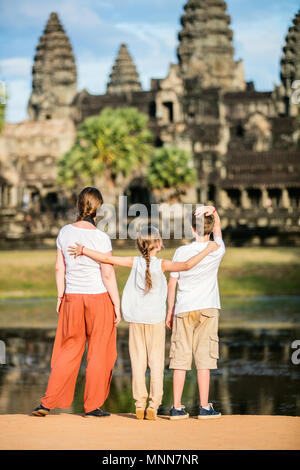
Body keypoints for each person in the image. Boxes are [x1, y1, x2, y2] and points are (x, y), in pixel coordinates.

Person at [68, 225, 219, 420]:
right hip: (155, 320)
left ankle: (140, 405)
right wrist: (208, 249)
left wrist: (83, 250)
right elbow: (188, 265)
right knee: (156, 363)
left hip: (136, 321)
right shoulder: (163, 264)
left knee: (138, 363)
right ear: (158, 244)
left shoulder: (134, 262)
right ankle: (153, 406)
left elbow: (107, 259)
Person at [32, 187, 120, 418]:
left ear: (78, 205)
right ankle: (91, 406)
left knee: (67, 352)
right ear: (98, 209)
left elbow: (59, 267)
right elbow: (108, 274)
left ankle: (46, 403)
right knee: (100, 353)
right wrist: (117, 305)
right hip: (98, 298)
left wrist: (61, 296)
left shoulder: (64, 232)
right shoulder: (101, 237)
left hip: (72, 298)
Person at [166, 206, 225, 420]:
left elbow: (172, 283)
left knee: (180, 358)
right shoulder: (217, 248)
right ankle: (204, 407)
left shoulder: (181, 252)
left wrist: (170, 310)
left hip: (183, 308)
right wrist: (213, 211)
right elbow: (218, 226)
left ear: (192, 229)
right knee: (204, 359)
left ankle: (176, 407)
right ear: (209, 228)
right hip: (208, 308)